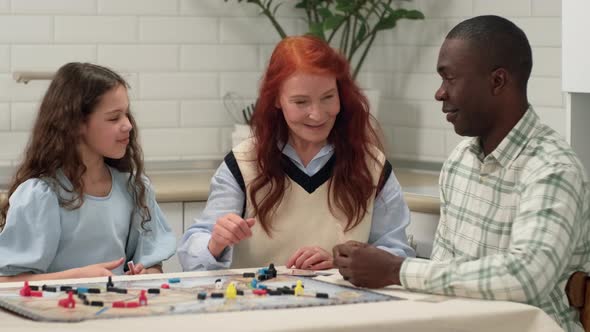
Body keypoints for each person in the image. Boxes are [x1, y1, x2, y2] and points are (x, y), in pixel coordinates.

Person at [333, 15, 590, 331]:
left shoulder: (552, 169)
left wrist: (395, 270)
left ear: (497, 81)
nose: (440, 93)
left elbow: (525, 277)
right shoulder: (460, 161)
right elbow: (443, 273)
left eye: (449, 78)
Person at [178, 35, 415, 271]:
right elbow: (192, 257)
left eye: (328, 98)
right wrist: (216, 242)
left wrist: (341, 264)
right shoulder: (242, 165)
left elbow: (396, 255)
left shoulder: (373, 166)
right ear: (277, 100)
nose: (317, 114)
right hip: (256, 305)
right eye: (301, 102)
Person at [0, 62, 176, 282]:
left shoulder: (135, 188)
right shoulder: (42, 195)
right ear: (75, 124)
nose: (128, 125)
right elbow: (7, 282)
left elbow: (152, 264)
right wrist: (77, 278)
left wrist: (145, 274)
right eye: (114, 118)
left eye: (126, 114)